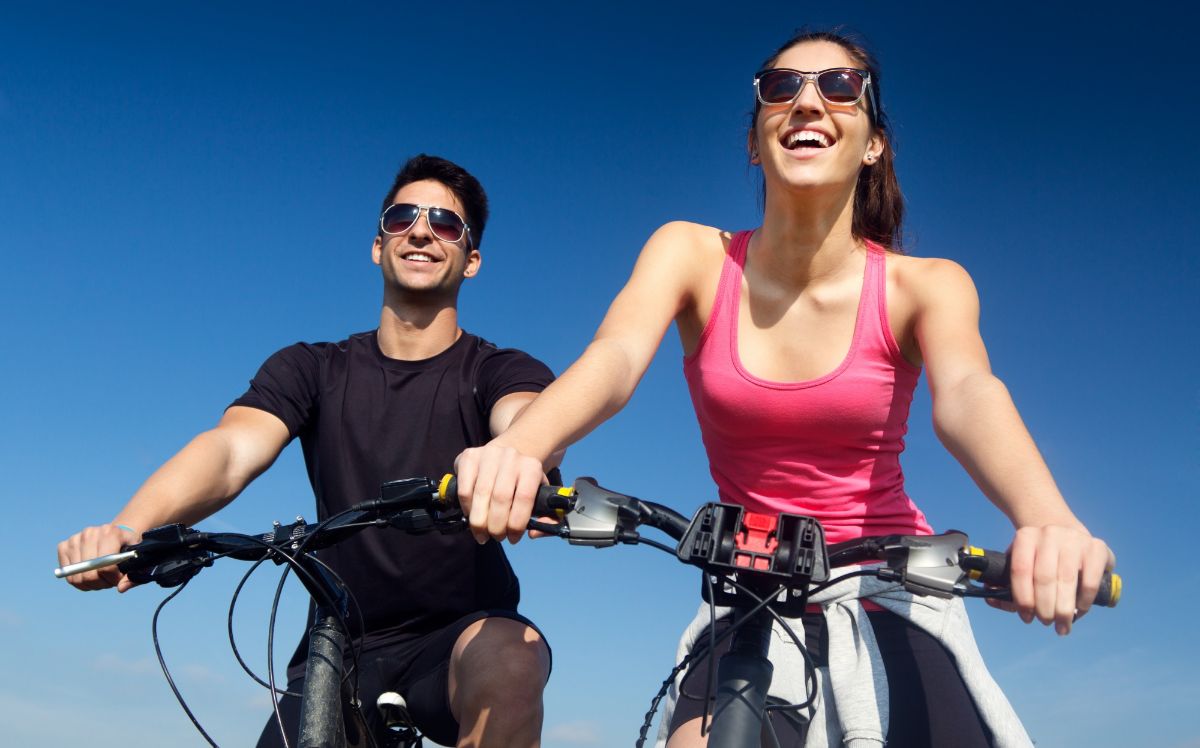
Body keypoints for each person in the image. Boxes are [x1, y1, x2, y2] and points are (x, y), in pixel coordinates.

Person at [453, 29, 1115, 747]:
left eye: (839, 87)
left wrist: (1046, 519)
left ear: (872, 143)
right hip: (747, 588)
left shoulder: (925, 285)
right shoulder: (690, 254)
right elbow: (613, 358)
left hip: (889, 584)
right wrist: (522, 446)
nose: (807, 102)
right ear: (754, 140)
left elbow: (968, 396)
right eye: (781, 86)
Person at [57, 154, 558, 748]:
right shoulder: (314, 368)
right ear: (378, 245)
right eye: (402, 218)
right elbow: (231, 450)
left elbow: (527, 421)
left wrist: (523, 458)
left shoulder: (498, 370)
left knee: (513, 661)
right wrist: (129, 530)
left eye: (446, 224)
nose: (421, 231)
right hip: (337, 640)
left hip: (460, 638)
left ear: (471, 260)